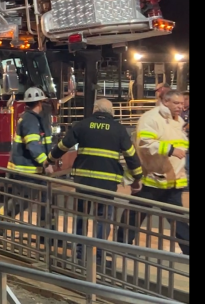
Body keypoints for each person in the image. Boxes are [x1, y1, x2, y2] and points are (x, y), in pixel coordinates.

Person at [50, 98, 144, 268]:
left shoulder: (82, 125)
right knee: (103, 219)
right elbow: (131, 156)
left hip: (84, 181)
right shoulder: (119, 130)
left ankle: (79, 255)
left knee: (81, 217)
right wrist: (137, 178)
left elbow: (63, 146)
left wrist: (50, 160)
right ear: (111, 113)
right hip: (106, 184)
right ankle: (99, 258)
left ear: (95, 110)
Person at [115, 89, 189, 255]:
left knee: (178, 219)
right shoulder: (151, 118)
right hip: (153, 178)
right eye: (176, 103)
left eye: (181, 103)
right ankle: (122, 245)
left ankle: (122, 245)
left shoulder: (177, 121)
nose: (180, 106)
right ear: (165, 101)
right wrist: (171, 150)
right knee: (134, 214)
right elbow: (145, 143)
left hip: (171, 180)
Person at [4, 87, 57, 244]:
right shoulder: (30, 120)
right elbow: (33, 145)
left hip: (36, 171)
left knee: (46, 202)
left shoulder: (36, 119)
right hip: (26, 171)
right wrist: (46, 163)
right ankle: (0, 222)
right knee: (21, 202)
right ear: (40, 102)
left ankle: (47, 235)